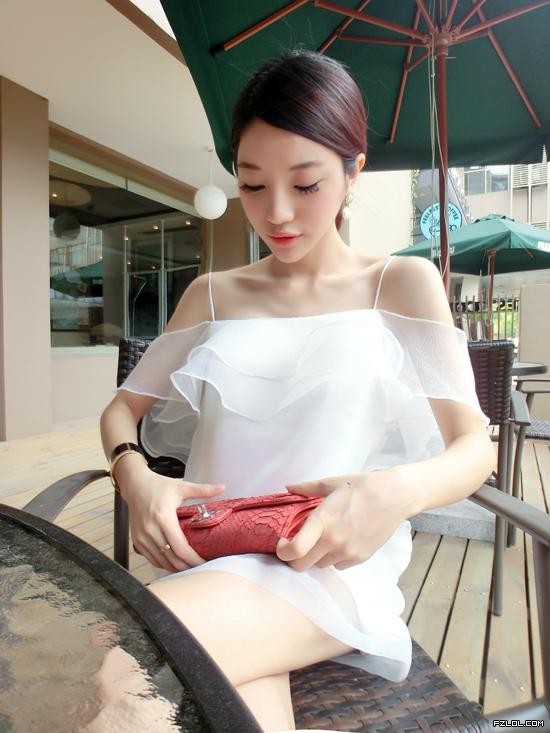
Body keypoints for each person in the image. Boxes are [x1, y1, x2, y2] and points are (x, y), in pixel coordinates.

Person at [100, 50, 495, 732]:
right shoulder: (212, 294)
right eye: (252, 185)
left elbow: (474, 447)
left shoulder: (398, 283)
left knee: (121, 673)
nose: (276, 212)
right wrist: (136, 479)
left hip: (323, 564)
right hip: (209, 553)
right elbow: (121, 411)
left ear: (353, 170)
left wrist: (394, 491)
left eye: (306, 184)